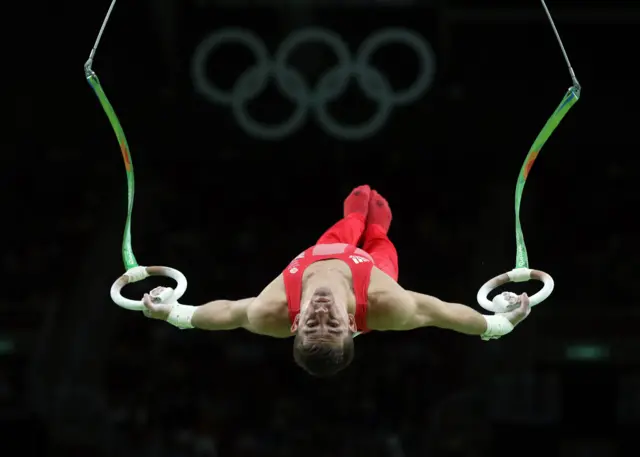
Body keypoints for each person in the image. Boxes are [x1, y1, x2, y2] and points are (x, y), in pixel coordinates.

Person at [142, 185, 531, 377]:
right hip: (367, 275)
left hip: (322, 256)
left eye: (312, 323)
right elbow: (444, 313)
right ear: (351, 325)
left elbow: (226, 312)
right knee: (381, 249)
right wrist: (500, 322)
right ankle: (376, 228)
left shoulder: (269, 311)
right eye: (334, 323)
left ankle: (356, 222)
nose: (323, 312)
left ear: (294, 324)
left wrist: (173, 312)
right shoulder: (387, 306)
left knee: (337, 236)